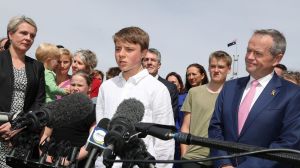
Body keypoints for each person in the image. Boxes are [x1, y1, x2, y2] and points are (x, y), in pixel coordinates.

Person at [209, 29, 300, 168]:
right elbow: (215, 128)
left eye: (257, 53)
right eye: (248, 50)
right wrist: (223, 163)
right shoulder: (229, 87)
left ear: (277, 58)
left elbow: (289, 142)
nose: (249, 57)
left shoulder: (292, 94)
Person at [96, 26, 174, 168]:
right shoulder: (106, 87)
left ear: (143, 52)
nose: (121, 54)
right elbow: (101, 128)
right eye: (118, 48)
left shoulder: (157, 89)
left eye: (129, 49)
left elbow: (165, 141)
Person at [0, 15, 45, 168]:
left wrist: (18, 125)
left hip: (22, 134)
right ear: (10, 34)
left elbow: (39, 102)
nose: (28, 38)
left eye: (32, 35)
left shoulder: (37, 67)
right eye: (23, 33)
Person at [181, 51, 232, 168]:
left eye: (221, 67)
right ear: (208, 68)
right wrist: (184, 153)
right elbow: (185, 126)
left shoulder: (235, 94)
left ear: (228, 69)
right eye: (213, 66)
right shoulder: (194, 92)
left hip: (223, 159)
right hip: (193, 157)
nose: (216, 70)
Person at [40, 70, 96, 167]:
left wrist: (69, 160)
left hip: (77, 163)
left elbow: (91, 143)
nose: (75, 88)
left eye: (79, 85)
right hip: (50, 161)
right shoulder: (56, 106)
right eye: (73, 84)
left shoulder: (94, 111)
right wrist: (45, 156)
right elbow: (45, 134)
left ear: (89, 87)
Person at [142, 48, 179, 121]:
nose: (149, 62)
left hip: (158, 130)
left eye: (153, 60)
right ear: (142, 63)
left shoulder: (169, 87)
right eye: (146, 60)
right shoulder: (133, 84)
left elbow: (171, 115)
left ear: (159, 65)